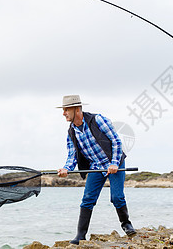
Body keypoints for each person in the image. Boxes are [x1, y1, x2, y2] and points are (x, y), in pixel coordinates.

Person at [56, 95, 136, 244]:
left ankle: (126, 224)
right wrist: (66, 168)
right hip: (96, 167)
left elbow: (116, 141)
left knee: (116, 197)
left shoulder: (98, 120)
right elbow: (72, 155)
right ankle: (80, 235)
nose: (64, 113)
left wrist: (114, 163)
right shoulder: (71, 132)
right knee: (87, 200)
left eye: (66, 109)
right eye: (64, 110)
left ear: (77, 109)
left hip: (114, 162)